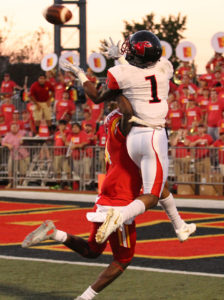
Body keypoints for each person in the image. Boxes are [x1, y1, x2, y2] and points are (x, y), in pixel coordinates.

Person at [22, 101, 195, 300]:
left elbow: (159, 188)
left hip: (106, 194)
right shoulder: (127, 128)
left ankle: (55, 233)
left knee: (93, 250)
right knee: (123, 259)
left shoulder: (113, 120)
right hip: (120, 202)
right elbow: (129, 113)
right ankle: (84, 298)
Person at [60, 31, 176, 244]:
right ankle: (176, 224)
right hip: (154, 132)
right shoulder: (164, 68)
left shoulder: (115, 112)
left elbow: (100, 95)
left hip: (131, 148)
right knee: (155, 192)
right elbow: (140, 75)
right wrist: (119, 59)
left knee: (96, 249)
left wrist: (81, 74)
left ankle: (178, 224)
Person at [2, 123, 30, 188]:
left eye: (15, 127)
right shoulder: (8, 135)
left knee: (23, 171)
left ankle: (20, 184)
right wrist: (8, 145)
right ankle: (11, 183)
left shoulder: (22, 132)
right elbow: (3, 142)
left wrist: (24, 139)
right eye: (13, 127)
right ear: (10, 128)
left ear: (18, 128)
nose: (14, 128)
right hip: (13, 155)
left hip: (23, 155)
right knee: (10, 169)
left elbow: (30, 135)